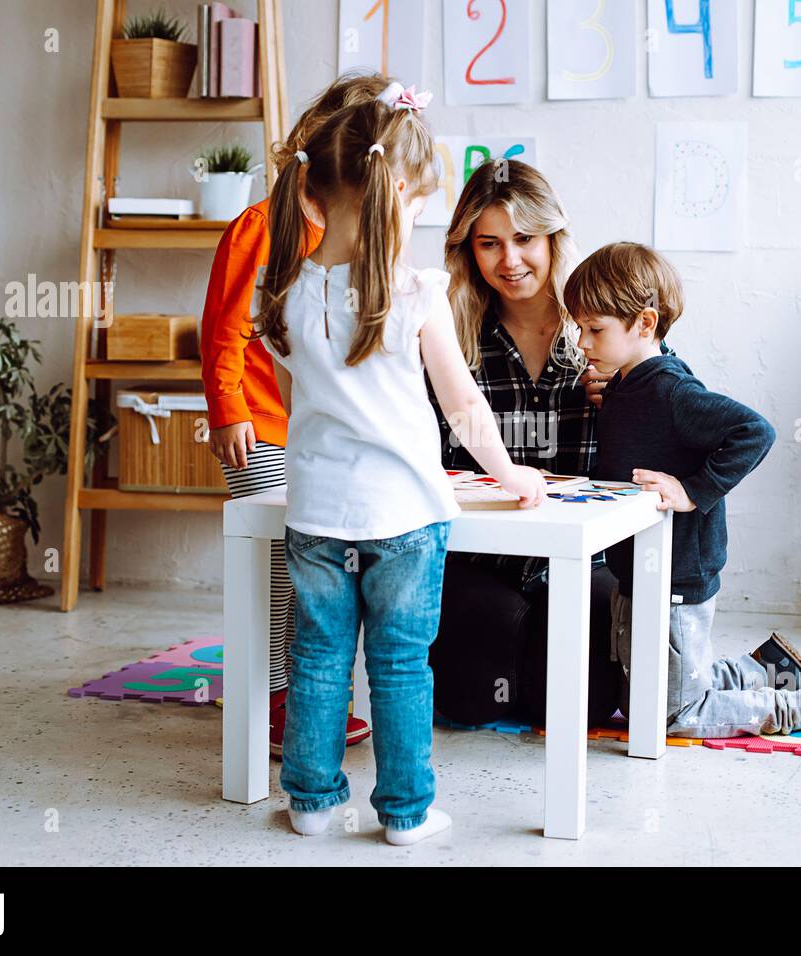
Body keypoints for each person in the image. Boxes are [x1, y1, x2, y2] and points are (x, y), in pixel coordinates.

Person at [251, 89, 546, 843]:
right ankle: (406, 814)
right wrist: (511, 474)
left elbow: (305, 397)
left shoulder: (281, 291)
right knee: (401, 664)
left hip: (316, 510)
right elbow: (465, 409)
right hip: (407, 516)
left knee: (316, 658)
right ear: (402, 194)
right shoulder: (417, 293)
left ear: (313, 189)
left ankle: (312, 804)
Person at [563, 242, 801, 737]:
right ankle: (768, 666)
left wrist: (692, 491)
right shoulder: (627, 383)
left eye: (594, 329)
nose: (581, 341)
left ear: (645, 324)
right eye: (579, 327)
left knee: (671, 714)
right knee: (643, 694)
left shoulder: (672, 392)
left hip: (676, 581)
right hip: (635, 571)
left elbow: (756, 432)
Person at [200, 72, 390, 758]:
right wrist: (226, 410)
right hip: (257, 422)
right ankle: (277, 702)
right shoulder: (262, 226)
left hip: (313, 428)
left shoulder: (356, 231)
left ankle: (290, 693)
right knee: (283, 567)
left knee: (308, 569)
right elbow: (225, 327)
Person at [429, 159, 625, 729]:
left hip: (584, 553)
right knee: (467, 704)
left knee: (575, 705)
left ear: (552, 238)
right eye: (489, 243)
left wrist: (624, 393)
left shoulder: (601, 323)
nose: (509, 261)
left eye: (524, 239)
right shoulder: (446, 332)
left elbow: (675, 400)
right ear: (469, 249)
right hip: (478, 551)